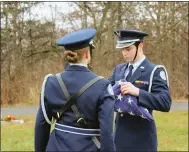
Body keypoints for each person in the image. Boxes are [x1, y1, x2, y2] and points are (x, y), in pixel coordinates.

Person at [35, 28, 116, 152]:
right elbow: (107, 133)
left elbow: (42, 124)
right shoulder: (102, 86)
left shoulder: (51, 82)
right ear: (88, 54)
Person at [109, 29, 172, 151]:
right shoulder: (119, 69)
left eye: (128, 49)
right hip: (119, 137)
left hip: (142, 138)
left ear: (140, 45)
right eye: (122, 49)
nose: (124, 53)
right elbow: (105, 93)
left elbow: (165, 103)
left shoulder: (155, 71)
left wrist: (137, 92)